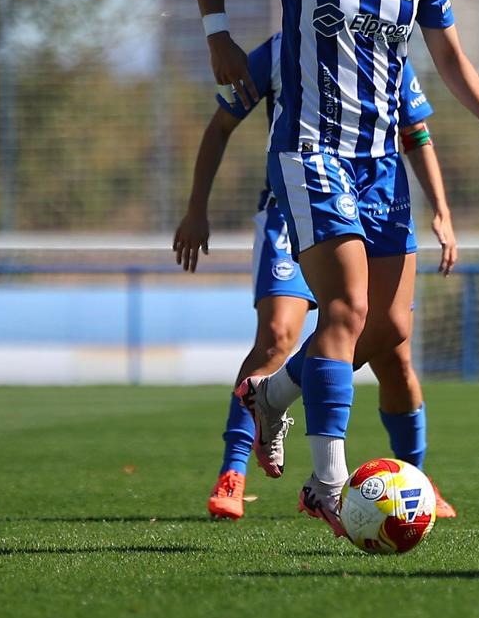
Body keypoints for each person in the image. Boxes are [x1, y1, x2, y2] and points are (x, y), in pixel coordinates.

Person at [193, 0, 479, 540]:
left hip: (382, 164)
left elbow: (449, 55)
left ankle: (273, 393)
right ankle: (330, 486)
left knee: (392, 328)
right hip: (311, 153)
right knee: (343, 308)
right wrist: (218, 34)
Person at [172, 35, 460, 521]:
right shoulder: (281, 49)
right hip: (292, 208)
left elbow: (416, 133)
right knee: (277, 335)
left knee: (393, 348)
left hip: (368, 211)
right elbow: (221, 125)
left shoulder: (386, 45)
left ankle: (413, 479)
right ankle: (234, 472)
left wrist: (443, 211)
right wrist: (196, 208)